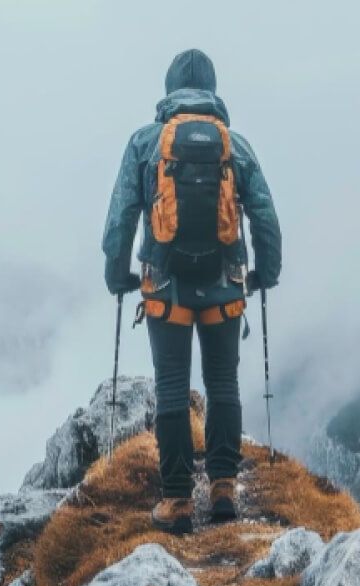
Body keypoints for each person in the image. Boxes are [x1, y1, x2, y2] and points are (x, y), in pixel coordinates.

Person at [101, 49, 282, 534]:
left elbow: (122, 216)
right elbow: (264, 215)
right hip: (225, 286)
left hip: (165, 287)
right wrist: (267, 271)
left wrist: (116, 273)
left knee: (172, 386)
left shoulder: (146, 143)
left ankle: (178, 500)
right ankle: (224, 488)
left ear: (168, 91)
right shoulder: (234, 146)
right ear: (214, 91)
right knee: (223, 383)